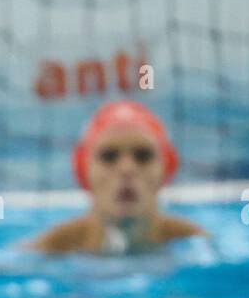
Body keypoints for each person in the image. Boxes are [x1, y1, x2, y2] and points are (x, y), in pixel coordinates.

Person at [24, 100, 205, 255]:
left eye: (142, 156)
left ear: (167, 168)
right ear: (83, 170)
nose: (127, 169)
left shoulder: (194, 241)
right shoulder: (51, 247)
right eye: (109, 156)